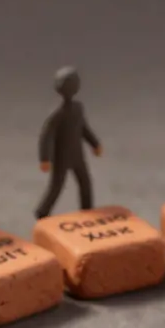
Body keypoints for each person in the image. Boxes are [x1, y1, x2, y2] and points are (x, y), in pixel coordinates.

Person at [34, 66, 103, 219]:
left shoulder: (78, 108)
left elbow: (84, 128)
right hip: (61, 157)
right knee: (57, 187)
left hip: (78, 155)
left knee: (85, 182)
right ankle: (42, 212)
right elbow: (46, 136)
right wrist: (45, 158)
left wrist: (95, 144)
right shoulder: (57, 114)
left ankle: (88, 209)